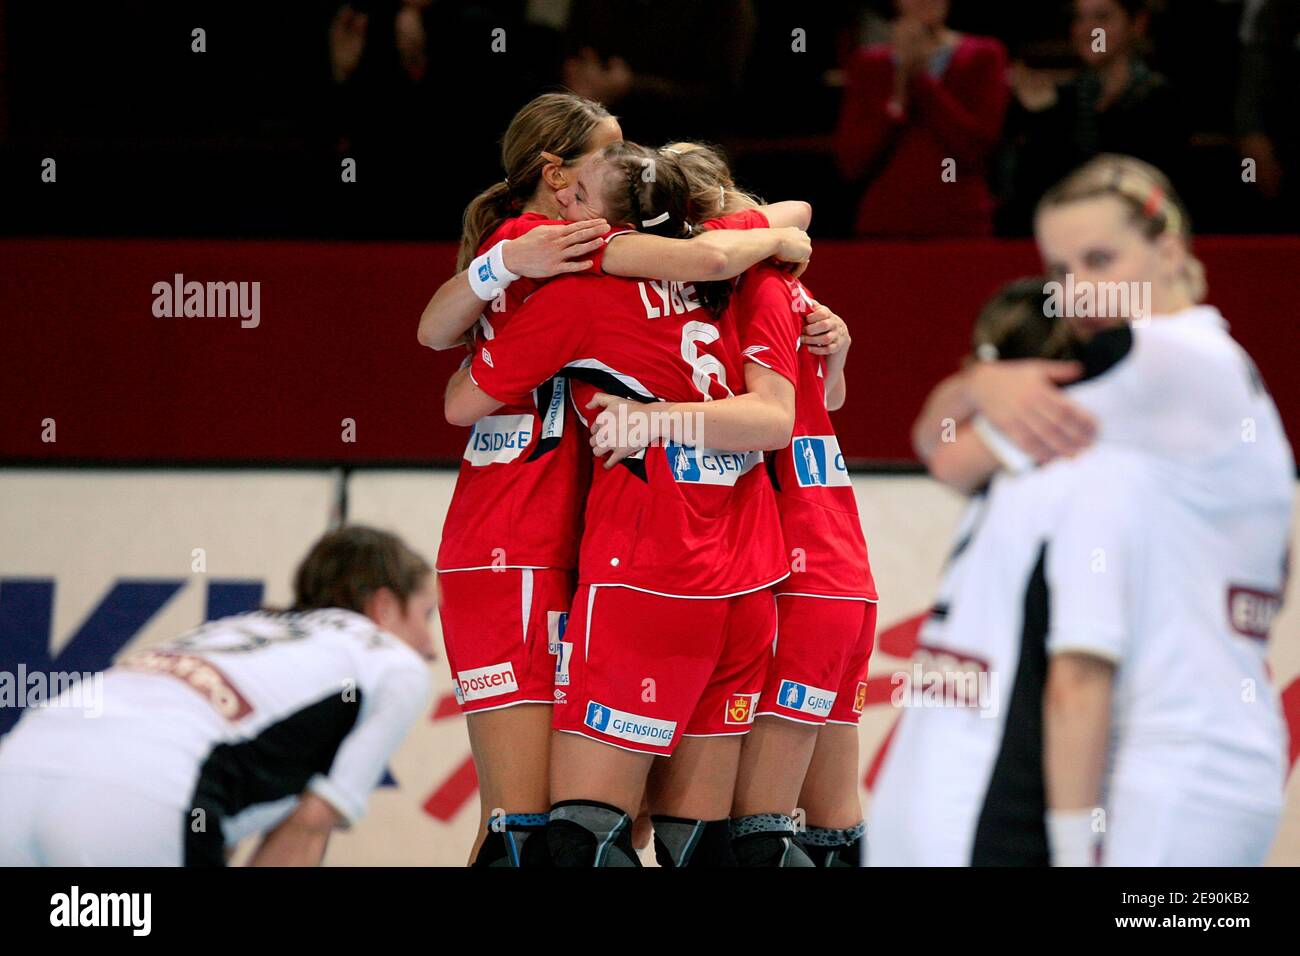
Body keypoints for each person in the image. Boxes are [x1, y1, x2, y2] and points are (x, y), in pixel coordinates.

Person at [418, 94, 810, 867]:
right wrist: (502, 265)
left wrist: (765, 249)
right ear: (558, 176)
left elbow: (777, 224)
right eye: (610, 155)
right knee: (529, 827)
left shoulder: (597, 259)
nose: (627, 167)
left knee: (602, 821)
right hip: (519, 544)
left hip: (594, 543)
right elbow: (439, 351)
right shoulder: (557, 244)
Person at [875, 155, 1294, 865]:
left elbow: (947, 455)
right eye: (1061, 272)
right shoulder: (1193, 379)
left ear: (1167, 248)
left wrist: (982, 378)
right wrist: (986, 379)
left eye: (1100, 260)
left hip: (1176, 762)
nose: (1079, 294)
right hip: (1211, 746)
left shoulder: (1160, 366)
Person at [587, 142, 876, 867]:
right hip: (835, 568)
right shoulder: (765, 274)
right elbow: (823, 400)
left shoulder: (748, 280)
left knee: (750, 839)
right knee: (827, 831)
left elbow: (773, 420)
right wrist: (834, 351)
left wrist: (651, 419)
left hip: (787, 572)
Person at [0, 526, 435, 867]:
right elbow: (307, 826)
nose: (431, 647)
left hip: (16, 770)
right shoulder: (394, 661)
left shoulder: (237, 626)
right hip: (138, 801)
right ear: (384, 607)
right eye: (427, 615)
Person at [1001, 0, 1186, 234]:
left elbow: (1135, 190)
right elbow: (1032, 202)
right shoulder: (1058, 102)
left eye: (1101, 17)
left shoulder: (1161, 100)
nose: (1089, 30)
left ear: (1137, 24)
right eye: (1079, 18)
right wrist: (1043, 121)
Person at [835, 0, 1008, 236]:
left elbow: (976, 147)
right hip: (885, 226)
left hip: (960, 224)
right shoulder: (869, 64)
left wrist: (919, 79)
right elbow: (852, 161)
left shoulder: (984, 55)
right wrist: (898, 98)